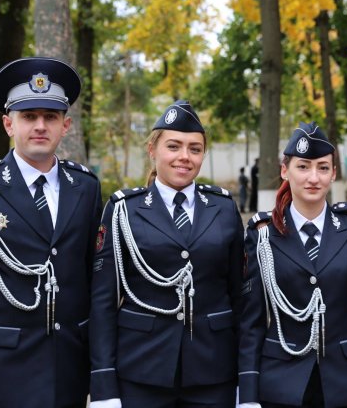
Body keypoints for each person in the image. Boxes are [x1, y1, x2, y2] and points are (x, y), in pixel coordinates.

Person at [0, 57, 103, 408]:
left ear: (65, 125)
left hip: (69, 368)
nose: (40, 126)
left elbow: (94, 282)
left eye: (50, 117)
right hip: (0, 372)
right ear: (9, 124)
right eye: (29, 117)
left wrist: (102, 374)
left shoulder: (85, 187)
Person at [88, 100, 245, 407]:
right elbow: (103, 303)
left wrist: (247, 381)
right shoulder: (123, 210)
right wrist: (104, 385)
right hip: (142, 370)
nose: (184, 157)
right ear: (153, 150)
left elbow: (240, 298)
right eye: (173, 146)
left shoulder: (224, 208)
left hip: (213, 371)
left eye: (195, 149)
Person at [238, 122, 347, 408]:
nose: (314, 177)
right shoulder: (262, 234)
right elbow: (252, 322)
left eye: (323, 168)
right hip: (280, 384)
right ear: (285, 171)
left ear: (333, 173)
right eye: (303, 167)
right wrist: (247, 396)